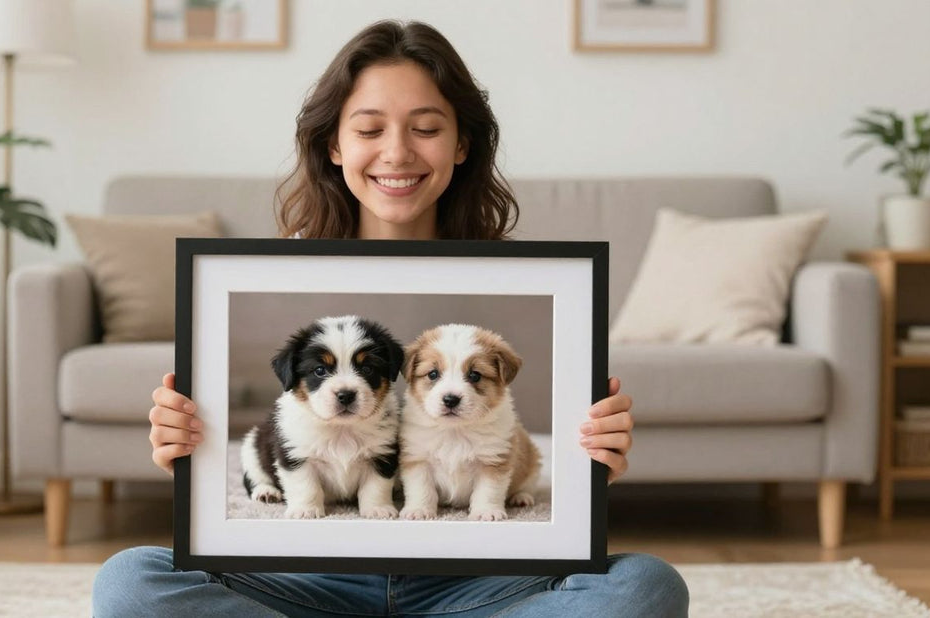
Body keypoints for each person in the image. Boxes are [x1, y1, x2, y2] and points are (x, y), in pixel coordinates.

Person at [93, 20, 689, 617]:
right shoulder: (276, 269)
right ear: (334, 145)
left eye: (426, 128)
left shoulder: (520, 272)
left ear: (461, 144)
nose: (398, 152)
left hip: (478, 582)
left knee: (645, 587)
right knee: (131, 580)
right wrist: (183, 445)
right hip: (304, 576)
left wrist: (592, 464)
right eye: (370, 129)